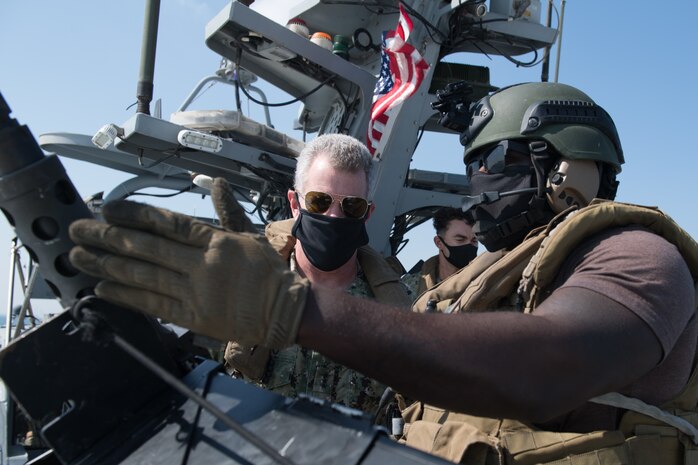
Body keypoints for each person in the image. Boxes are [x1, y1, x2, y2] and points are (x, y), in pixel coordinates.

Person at [69, 82, 698, 464]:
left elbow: (549, 369)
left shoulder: (635, 254)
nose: (475, 186)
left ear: (568, 169)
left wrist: (288, 308)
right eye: (470, 166)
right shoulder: (476, 285)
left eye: (494, 162)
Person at [217, 134, 413, 417]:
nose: (334, 217)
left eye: (351, 206)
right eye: (319, 201)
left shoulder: (401, 312)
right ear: (295, 204)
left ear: (367, 213)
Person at [402, 207, 478, 299]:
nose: (469, 246)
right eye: (460, 239)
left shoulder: (483, 282)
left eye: (474, 241)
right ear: (439, 242)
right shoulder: (410, 286)